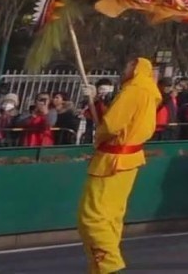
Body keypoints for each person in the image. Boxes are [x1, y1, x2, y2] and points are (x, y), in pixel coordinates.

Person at [77, 57, 161, 274]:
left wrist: (100, 135)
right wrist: (95, 102)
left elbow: (112, 124)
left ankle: (108, 266)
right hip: (128, 159)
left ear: (135, 69)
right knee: (112, 216)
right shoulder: (148, 92)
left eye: (127, 65)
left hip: (113, 159)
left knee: (93, 216)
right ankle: (103, 266)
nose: (123, 69)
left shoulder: (134, 90)